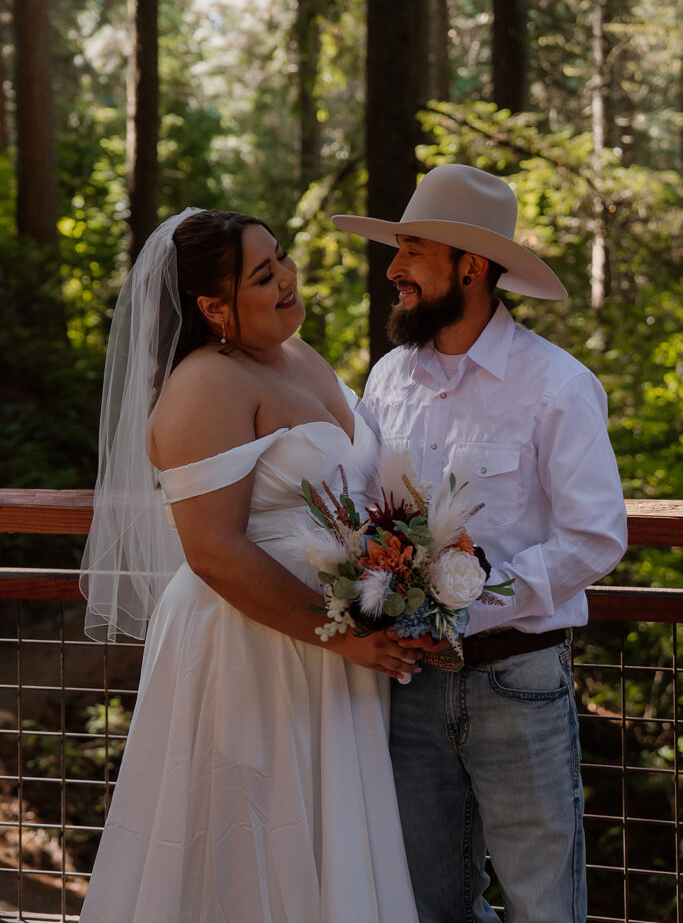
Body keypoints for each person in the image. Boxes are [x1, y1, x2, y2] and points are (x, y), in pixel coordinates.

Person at [78, 208, 421, 923]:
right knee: (247, 847)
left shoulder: (300, 354)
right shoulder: (205, 386)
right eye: (263, 274)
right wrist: (341, 635)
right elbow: (212, 550)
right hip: (249, 648)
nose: (288, 278)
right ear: (212, 307)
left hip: (326, 647)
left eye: (283, 257)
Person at [332, 163, 628, 923]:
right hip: (404, 689)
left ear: (471, 266)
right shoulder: (388, 378)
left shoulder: (556, 384)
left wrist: (465, 604)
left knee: (541, 905)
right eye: (394, 249)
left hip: (517, 681)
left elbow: (595, 536)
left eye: (412, 250)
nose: (391, 269)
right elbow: (362, 512)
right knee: (427, 904)